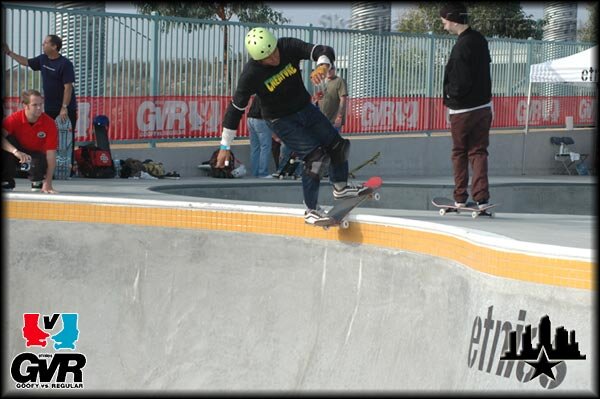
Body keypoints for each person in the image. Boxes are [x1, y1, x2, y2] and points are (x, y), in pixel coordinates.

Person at [215, 27, 368, 224]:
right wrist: (225, 146)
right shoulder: (251, 74)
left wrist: (322, 66)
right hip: (281, 120)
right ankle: (311, 209)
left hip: (305, 108)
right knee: (316, 158)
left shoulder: (287, 46)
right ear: (258, 60)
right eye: (268, 58)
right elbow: (235, 109)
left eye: (274, 52)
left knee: (338, 145)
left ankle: (341, 188)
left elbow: (323, 49)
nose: (274, 59)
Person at [440, 3, 493, 209]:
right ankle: (481, 197)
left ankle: (460, 197)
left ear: (453, 19)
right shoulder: (479, 39)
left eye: (444, 22)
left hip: (462, 110)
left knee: (459, 152)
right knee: (479, 151)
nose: (444, 27)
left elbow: (459, 81)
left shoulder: (461, 46)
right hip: (483, 107)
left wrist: (450, 99)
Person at [3, 35, 77, 175]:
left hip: (65, 109)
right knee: (45, 139)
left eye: (46, 43)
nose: (43, 45)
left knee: (65, 141)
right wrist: (9, 53)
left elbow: (68, 87)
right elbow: (26, 62)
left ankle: (67, 169)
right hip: (48, 108)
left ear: (54, 46)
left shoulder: (65, 64)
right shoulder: (42, 59)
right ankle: (46, 168)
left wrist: (64, 107)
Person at [2, 89, 58, 193]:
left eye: (41, 104)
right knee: (8, 142)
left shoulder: (49, 123)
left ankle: (37, 181)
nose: (39, 108)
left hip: (37, 158)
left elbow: (51, 154)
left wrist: (48, 183)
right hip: (18, 154)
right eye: (35, 105)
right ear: (25, 105)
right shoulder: (14, 119)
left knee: (40, 160)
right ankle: (7, 181)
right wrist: (16, 152)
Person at [314, 62, 348, 132]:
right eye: (327, 69)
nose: (329, 71)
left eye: (331, 68)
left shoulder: (339, 81)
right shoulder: (324, 83)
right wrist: (317, 100)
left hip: (333, 121)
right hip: (323, 121)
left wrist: (339, 117)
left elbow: (343, 99)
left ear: (334, 69)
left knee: (332, 142)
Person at [246, 96, 273, 178]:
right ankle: (263, 173)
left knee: (255, 148)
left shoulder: (259, 91)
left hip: (250, 119)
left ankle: (254, 173)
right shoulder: (271, 93)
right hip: (261, 120)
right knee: (265, 146)